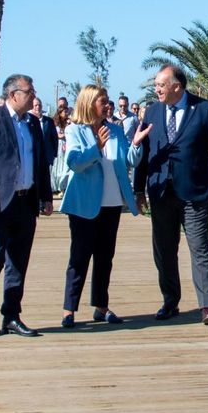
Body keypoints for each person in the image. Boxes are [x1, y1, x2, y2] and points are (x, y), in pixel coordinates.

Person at [134, 65, 208, 326]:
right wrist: (138, 189)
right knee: (164, 251)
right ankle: (170, 300)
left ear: (177, 86)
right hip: (160, 192)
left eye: (161, 85)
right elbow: (145, 153)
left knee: (200, 248)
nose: (156, 89)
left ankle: (207, 307)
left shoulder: (203, 109)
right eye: (156, 85)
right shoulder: (152, 111)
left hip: (194, 193)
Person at [59, 85, 152, 329]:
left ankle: (101, 306)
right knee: (79, 257)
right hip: (84, 204)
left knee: (105, 257)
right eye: (103, 101)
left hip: (112, 203)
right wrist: (97, 148)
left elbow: (128, 161)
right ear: (89, 103)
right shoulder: (75, 130)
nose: (108, 105)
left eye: (108, 101)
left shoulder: (115, 129)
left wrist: (136, 145)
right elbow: (75, 163)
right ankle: (69, 309)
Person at [0, 74, 53, 338]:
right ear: (14, 94)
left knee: (18, 261)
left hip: (25, 202)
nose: (34, 95)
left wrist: (46, 196)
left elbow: (41, 163)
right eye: (29, 91)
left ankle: (12, 315)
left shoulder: (33, 124)